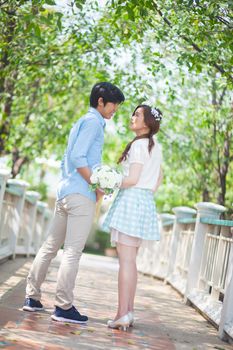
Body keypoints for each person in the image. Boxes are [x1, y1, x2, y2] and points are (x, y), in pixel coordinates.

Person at [23, 82, 125, 324]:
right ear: (100, 101)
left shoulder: (81, 121)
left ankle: (32, 298)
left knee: (50, 247)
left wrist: (71, 183)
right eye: (113, 106)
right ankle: (63, 306)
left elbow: (67, 159)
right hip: (80, 196)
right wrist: (95, 184)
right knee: (71, 252)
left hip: (65, 193)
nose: (115, 111)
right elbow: (79, 157)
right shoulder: (93, 124)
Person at [102, 104, 163, 330]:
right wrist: (145, 194)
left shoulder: (139, 145)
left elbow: (132, 179)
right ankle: (128, 312)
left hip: (131, 201)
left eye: (137, 115)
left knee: (125, 262)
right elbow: (159, 178)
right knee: (131, 262)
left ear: (147, 122)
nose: (132, 117)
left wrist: (109, 180)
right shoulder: (156, 145)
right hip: (144, 202)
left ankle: (122, 314)